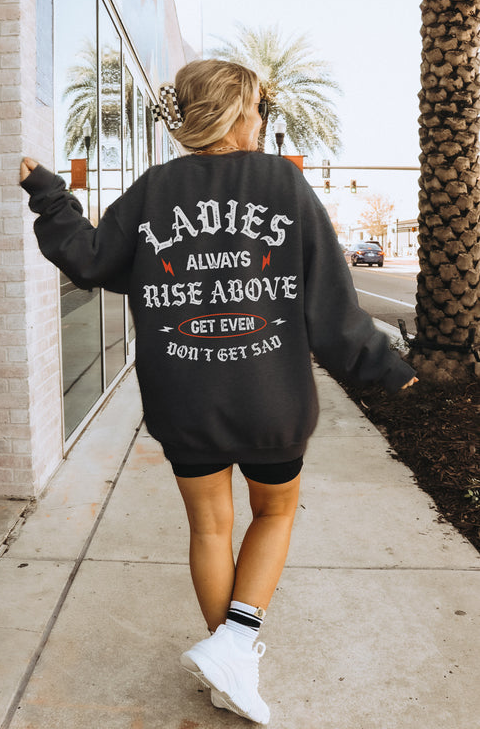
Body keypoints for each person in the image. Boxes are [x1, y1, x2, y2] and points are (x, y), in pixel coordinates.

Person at [20, 58, 417, 725]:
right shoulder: (280, 186)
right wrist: (389, 368)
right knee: (274, 514)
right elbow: (333, 310)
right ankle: (235, 644)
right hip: (270, 397)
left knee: (209, 525)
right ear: (235, 112)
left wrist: (45, 191)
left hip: (183, 396)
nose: (260, 121)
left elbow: (88, 259)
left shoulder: (153, 190)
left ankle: (228, 659)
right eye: (256, 109)